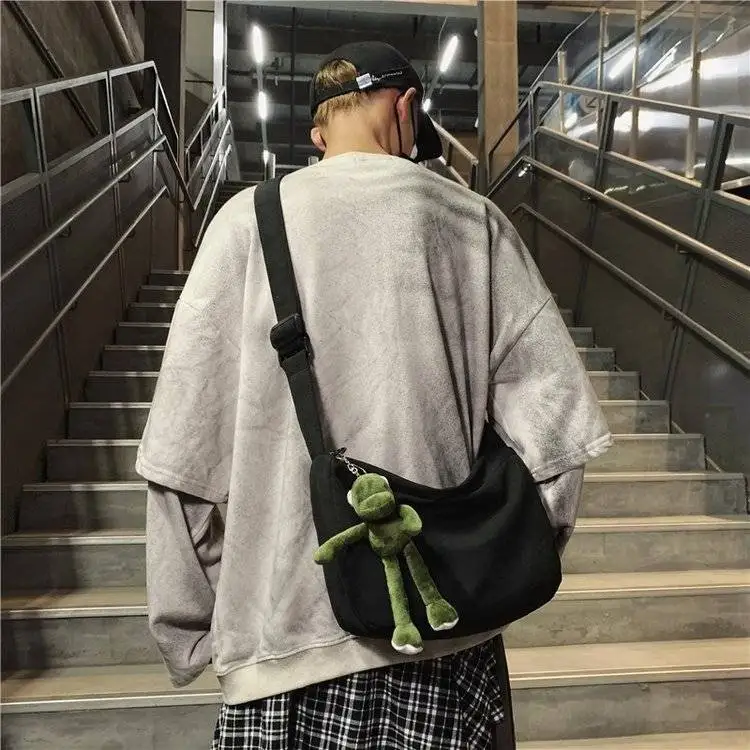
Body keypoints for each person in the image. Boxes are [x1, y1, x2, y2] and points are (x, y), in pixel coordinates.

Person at [137, 41, 612, 750]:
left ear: (319, 134)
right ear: (407, 108)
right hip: (443, 641)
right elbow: (557, 434)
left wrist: (197, 625)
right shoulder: (473, 222)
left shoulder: (243, 224)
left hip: (281, 649)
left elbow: (180, 454)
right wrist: (498, 556)